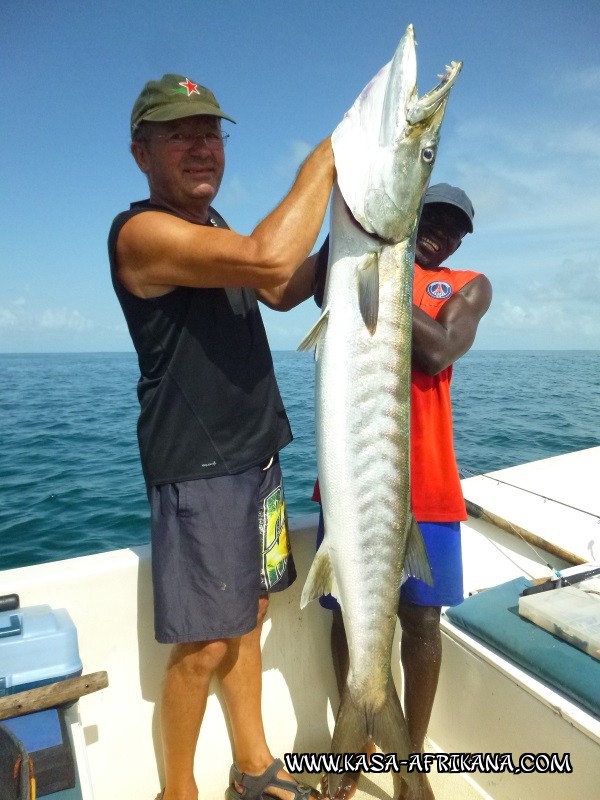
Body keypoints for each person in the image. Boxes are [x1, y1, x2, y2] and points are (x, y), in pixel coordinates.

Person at [108, 73, 334, 800]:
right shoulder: (142, 233)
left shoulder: (213, 230)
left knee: (252, 613)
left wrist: (361, 237)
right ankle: (177, 793)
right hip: (199, 467)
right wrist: (329, 159)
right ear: (142, 152)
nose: (203, 147)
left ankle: (254, 765)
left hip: (255, 454)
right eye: (182, 134)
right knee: (204, 642)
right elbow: (270, 258)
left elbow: (280, 285)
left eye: (212, 133)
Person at [312, 183, 492, 800]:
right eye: (432, 218)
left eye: (455, 227)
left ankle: (409, 761)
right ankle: (350, 748)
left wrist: (374, 280)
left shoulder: (468, 283)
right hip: (351, 480)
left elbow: (440, 350)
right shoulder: (355, 263)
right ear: (410, 216)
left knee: (421, 622)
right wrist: (356, 256)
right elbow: (305, 279)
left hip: (430, 488)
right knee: (348, 615)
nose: (442, 232)